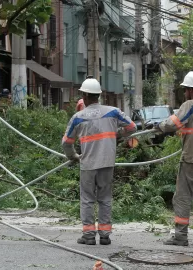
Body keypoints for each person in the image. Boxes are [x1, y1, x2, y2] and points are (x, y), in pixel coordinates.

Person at [62, 75, 137, 245]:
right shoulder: (113, 112)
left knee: (87, 199)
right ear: (98, 95)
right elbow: (132, 127)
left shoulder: (78, 117)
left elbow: (66, 142)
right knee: (105, 198)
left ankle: (88, 236)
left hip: (88, 164)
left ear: (86, 96)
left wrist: (72, 156)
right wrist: (118, 134)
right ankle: (104, 235)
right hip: (107, 162)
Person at [154, 71, 193, 247]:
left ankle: (180, 236)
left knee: (181, 197)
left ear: (190, 90)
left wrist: (158, 127)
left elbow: (173, 123)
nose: (184, 93)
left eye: (185, 90)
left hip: (191, 158)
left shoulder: (189, 105)